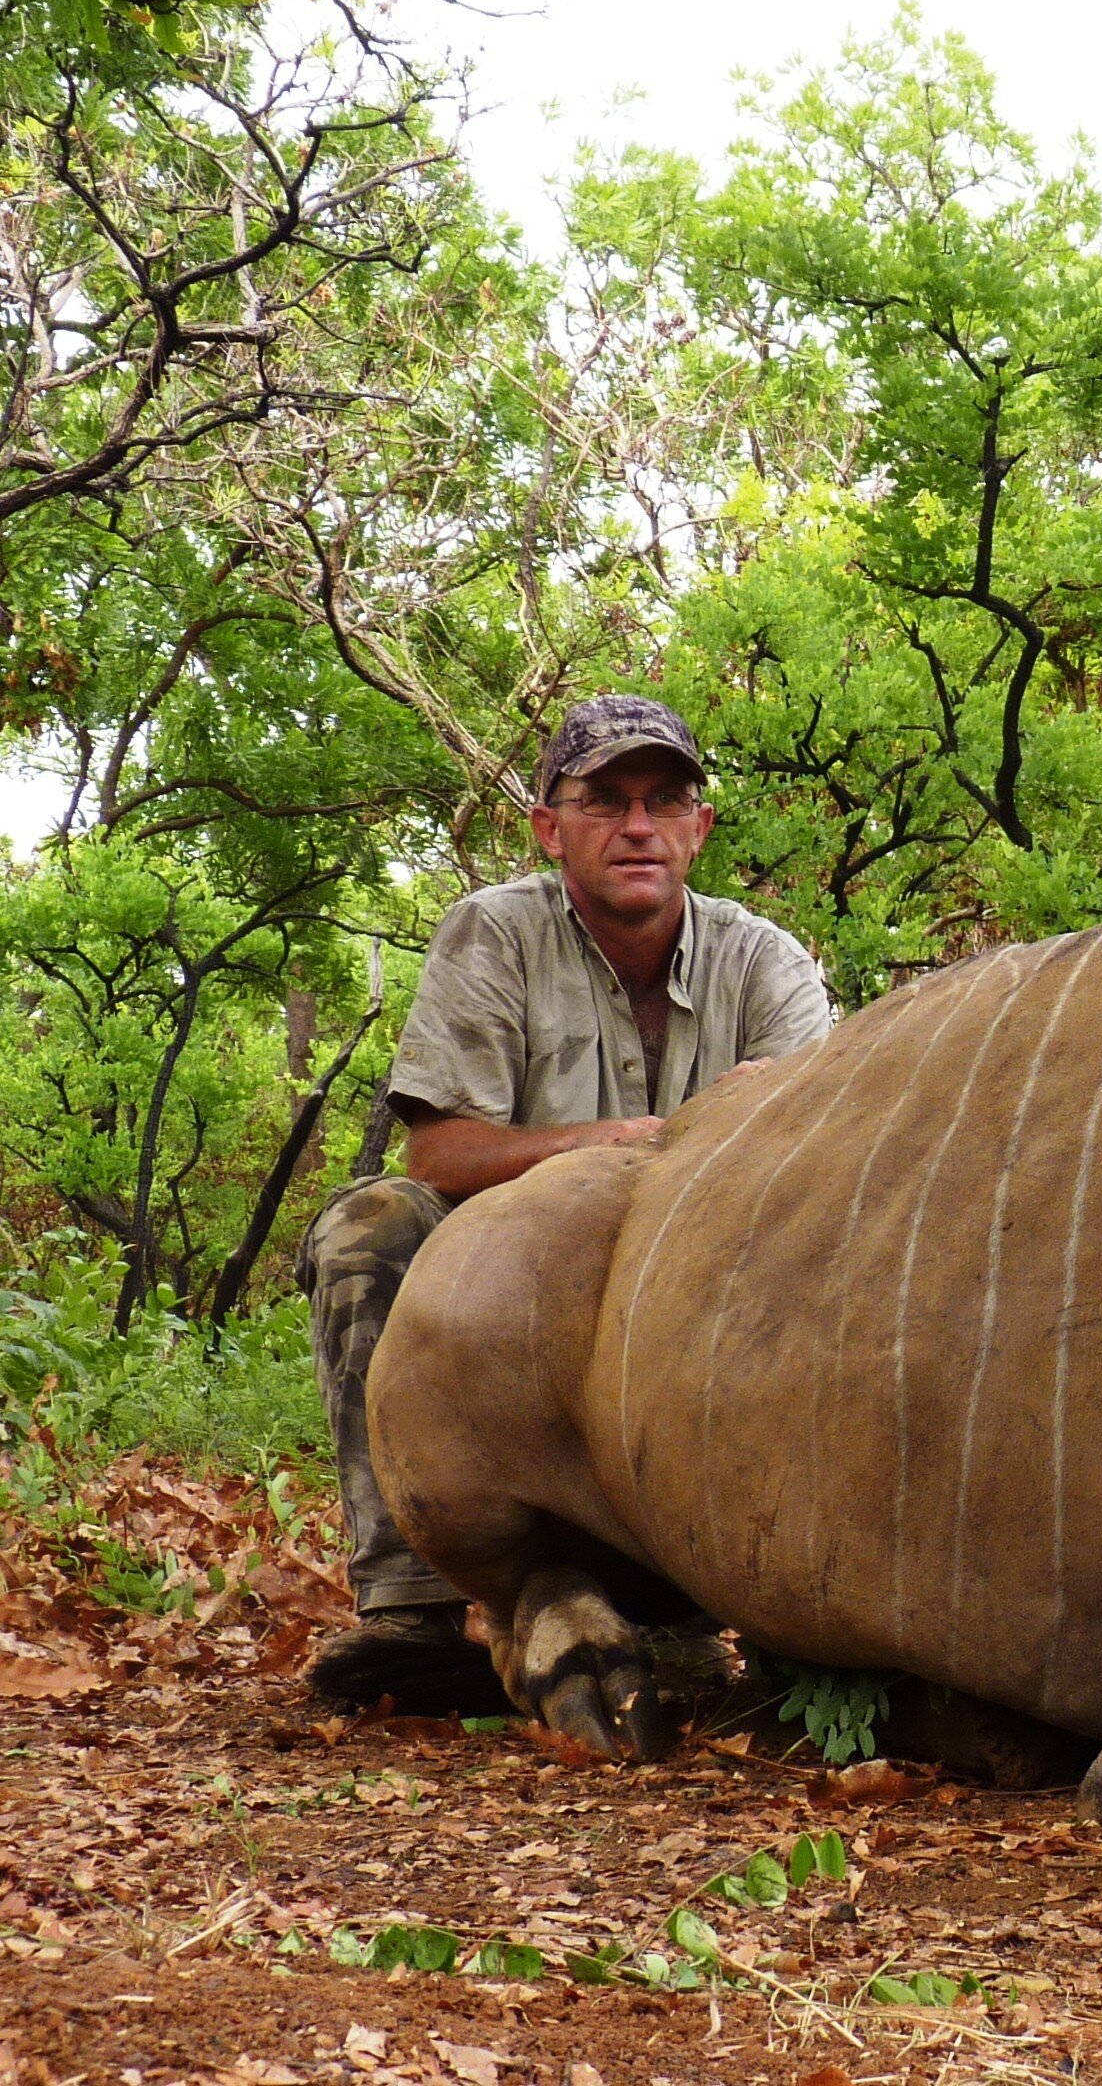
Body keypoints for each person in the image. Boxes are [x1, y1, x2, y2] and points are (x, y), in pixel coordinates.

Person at [301, 696, 832, 1687]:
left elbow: (815, 1162)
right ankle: (414, 1609)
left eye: (665, 800)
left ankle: (764, 1601)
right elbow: (438, 1155)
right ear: (548, 827)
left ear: (699, 828)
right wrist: (627, 1141)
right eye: (605, 801)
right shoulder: (494, 935)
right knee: (369, 1226)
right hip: (515, 1289)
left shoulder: (763, 960)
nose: (638, 826)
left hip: (694, 1287)